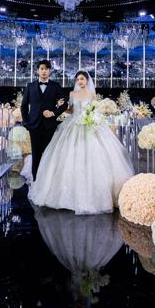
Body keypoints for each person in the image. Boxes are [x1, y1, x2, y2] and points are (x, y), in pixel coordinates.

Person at [28, 70, 134, 215]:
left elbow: (94, 109)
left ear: (87, 80)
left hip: (89, 124)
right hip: (74, 124)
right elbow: (71, 110)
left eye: (82, 79)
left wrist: (93, 118)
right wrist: (61, 107)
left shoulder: (91, 94)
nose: (80, 81)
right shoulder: (72, 94)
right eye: (78, 79)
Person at [20, 60, 67, 180]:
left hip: (50, 126)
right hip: (34, 126)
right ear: (37, 71)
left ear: (49, 71)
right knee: (36, 154)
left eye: (46, 69)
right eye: (42, 69)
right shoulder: (30, 86)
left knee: (48, 154)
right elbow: (23, 106)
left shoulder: (55, 86)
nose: (44, 71)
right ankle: (35, 180)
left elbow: (64, 104)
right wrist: (26, 123)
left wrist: (53, 113)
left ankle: (46, 180)